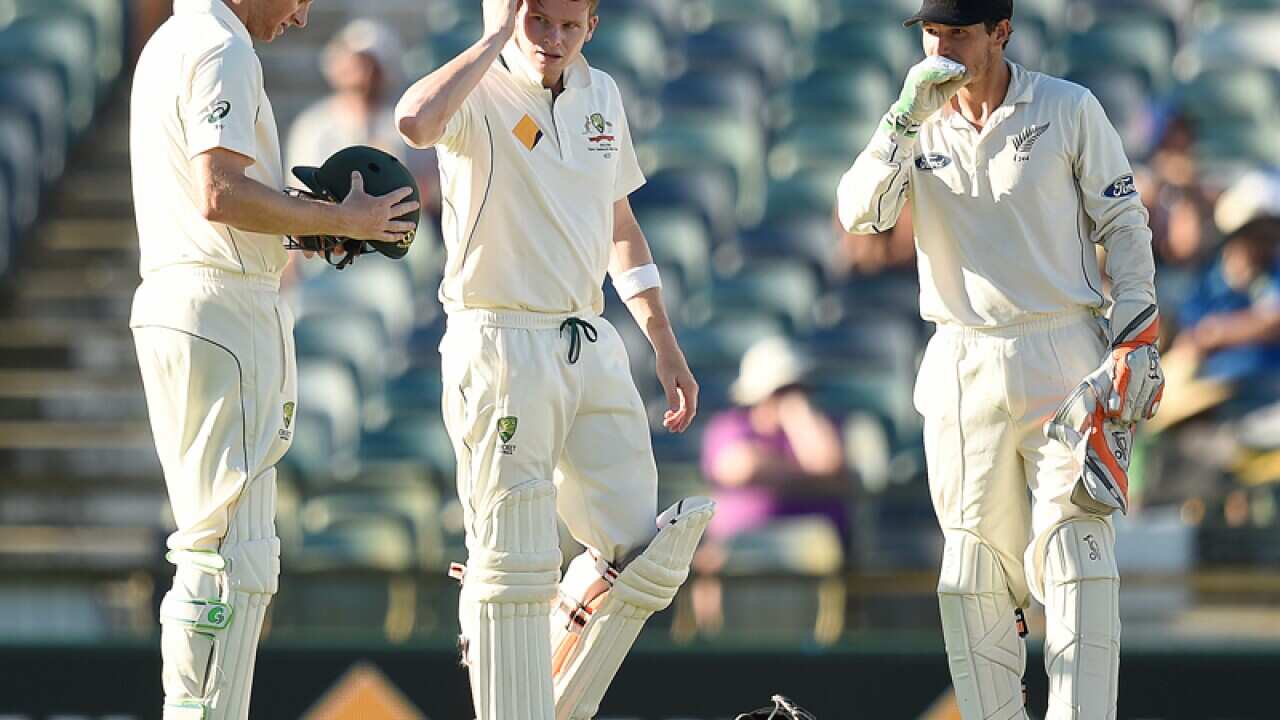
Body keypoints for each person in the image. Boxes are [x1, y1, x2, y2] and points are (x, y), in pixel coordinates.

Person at [836, 0, 1163, 717]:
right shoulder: (916, 120)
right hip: (961, 360)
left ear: (1001, 33)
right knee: (972, 572)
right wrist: (901, 120)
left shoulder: (1068, 108)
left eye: (958, 33)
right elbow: (860, 214)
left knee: (1076, 558)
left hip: (1062, 350)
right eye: (932, 33)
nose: (942, 49)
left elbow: (1123, 221)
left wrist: (1136, 333)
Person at [394, 1, 712, 718]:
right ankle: (506, 683)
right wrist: (493, 37)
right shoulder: (478, 87)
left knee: (642, 554)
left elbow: (619, 224)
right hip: (499, 338)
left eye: (570, 25)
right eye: (538, 20)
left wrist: (663, 341)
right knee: (512, 559)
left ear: (592, 26)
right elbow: (413, 122)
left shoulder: (602, 94)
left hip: (587, 337)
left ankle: (537, 687)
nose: (553, 40)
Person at [128, 2, 417, 718]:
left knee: (211, 542)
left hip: (181, 299)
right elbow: (219, 193)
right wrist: (340, 218)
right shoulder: (221, 44)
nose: (303, 15)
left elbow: (211, 202)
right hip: (223, 309)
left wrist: (307, 228)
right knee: (235, 551)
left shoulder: (172, 38)